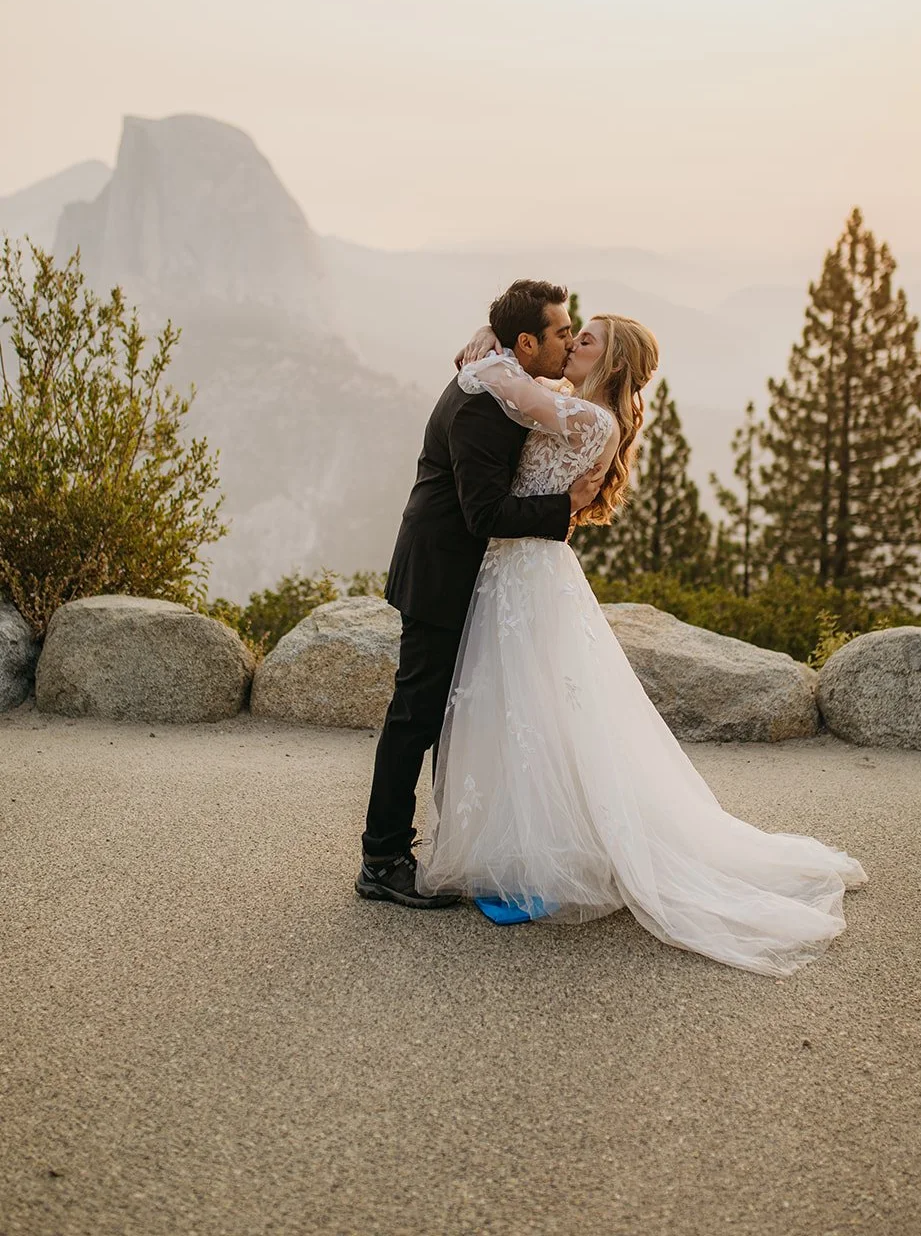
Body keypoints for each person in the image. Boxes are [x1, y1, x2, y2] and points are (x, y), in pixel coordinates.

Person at [415, 312, 869, 975]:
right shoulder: (576, 409)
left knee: (536, 712)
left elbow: (509, 392)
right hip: (510, 571)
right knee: (512, 711)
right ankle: (513, 849)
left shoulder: (589, 420)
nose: (572, 344)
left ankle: (540, 857)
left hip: (528, 574)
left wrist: (487, 354)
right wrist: (493, 352)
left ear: (612, 363)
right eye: (571, 334)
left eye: (585, 339)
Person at [356, 279, 606, 908]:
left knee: (450, 717)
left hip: (467, 574)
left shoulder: (501, 376)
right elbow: (484, 514)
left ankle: (458, 847)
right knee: (415, 714)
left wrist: (485, 335)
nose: (568, 340)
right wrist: (565, 507)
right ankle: (382, 860)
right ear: (526, 344)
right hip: (441, 574)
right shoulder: (483, 404)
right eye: (558, 332)